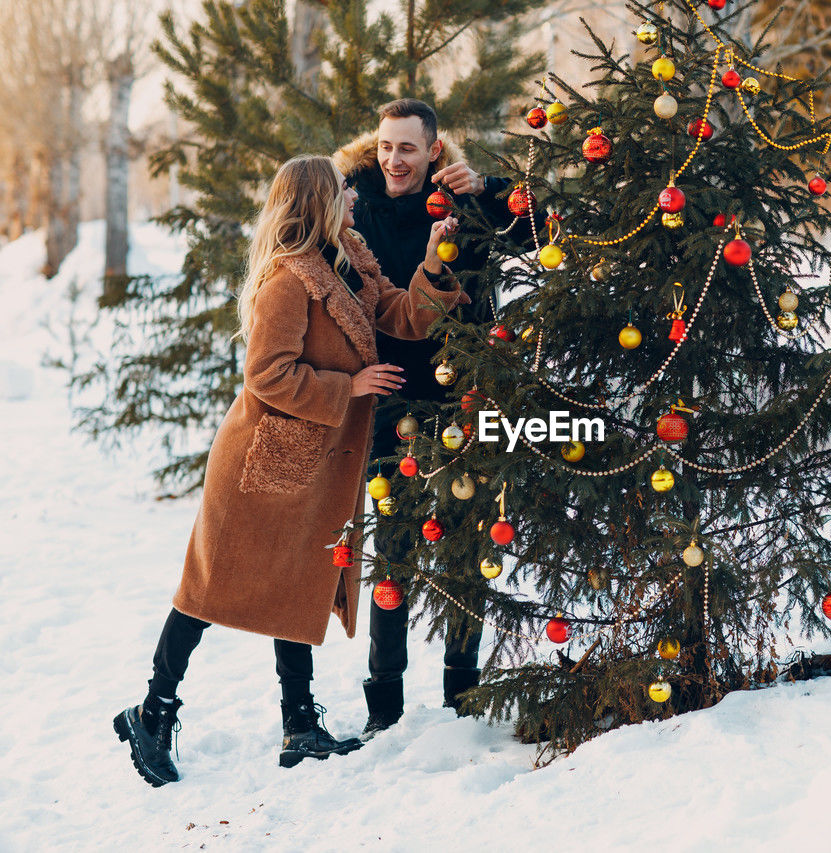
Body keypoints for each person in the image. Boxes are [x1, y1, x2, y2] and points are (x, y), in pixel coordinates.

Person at [112, 154, 469, 786]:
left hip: (316, 462)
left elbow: (404, 317)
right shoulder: (288, 279)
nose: (355, 199)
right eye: (343, 191)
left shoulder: (351, 261)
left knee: (303, 579)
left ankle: (299, 725)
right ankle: (154, 710)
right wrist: (351, 385)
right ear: (318, 204)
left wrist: (435, 260)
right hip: (263, 458)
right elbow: (267, 374)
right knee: (210, 587)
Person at [334, 99, 539, 736]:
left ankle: (463, 691)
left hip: (468, 399)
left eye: (408, 149)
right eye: (386, 146)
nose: (394, 160)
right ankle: (384, 705)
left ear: (434, 151)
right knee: (393, 553)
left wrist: (490, 187)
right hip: (392, 399)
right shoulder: (355, 211)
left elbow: (543, 231)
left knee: (468, 544)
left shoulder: (466, 204)